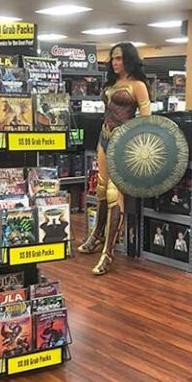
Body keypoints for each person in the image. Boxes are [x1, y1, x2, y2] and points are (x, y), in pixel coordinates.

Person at [77, 42, 151, 275]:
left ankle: (108, 253)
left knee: (113, 195)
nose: (115, 62)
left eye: (119, 58)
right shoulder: (113, 84)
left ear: (128, 59)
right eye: (112, 59)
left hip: (123, 143)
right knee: (100, 189)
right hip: (104, 138)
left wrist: (136, 147)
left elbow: (147, 120)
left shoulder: (138, 86)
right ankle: (97, 235)